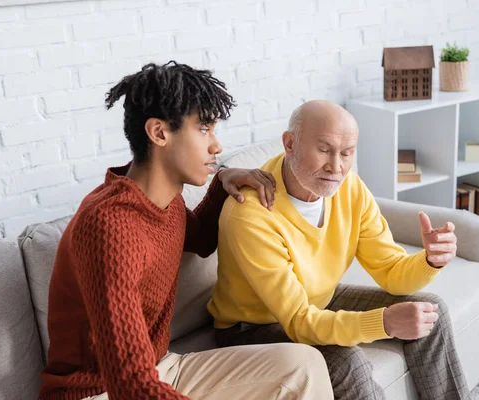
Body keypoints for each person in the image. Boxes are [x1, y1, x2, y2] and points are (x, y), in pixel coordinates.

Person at [40, 62, 334, 400]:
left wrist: (223, 183)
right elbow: (130, 385)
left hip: (161, 369)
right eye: (204, 129)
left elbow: (202, 241)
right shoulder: (109, 225)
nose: (217, 145)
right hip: (97, 392)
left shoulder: (165, 198)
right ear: (159, 133)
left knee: (303, 365)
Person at [208, 99, 471, 400]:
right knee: (347, 362)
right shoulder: (250, 214)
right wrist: (384, 323)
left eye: (347, 154)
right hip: (251, 327)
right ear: (290, 143)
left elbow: (391, 272)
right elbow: (298, 321)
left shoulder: (350, 189)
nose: (336, 167)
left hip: (317, 301)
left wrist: (430, 260)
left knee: (430, 312)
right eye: (324, 150)